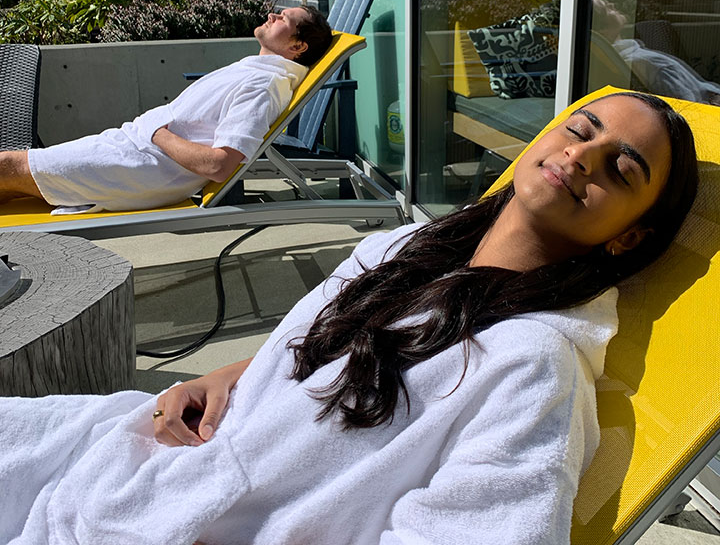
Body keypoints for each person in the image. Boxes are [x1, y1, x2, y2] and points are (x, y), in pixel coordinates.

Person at [0, 92, 698, 545]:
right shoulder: (402, 249)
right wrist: (233, 372)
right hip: (168, 458)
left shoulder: (533, 363)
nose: (580, 157)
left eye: (620, 169)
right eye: (579, 130)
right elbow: (326, 356)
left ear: (627, 236)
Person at [0, 5, 332, 213]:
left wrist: (158, 133)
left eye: (284, 18)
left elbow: (220, 166)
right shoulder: (259, 72)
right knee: (12, 186)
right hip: (131, 148)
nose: (273, 14)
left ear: (297, 46)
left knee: (8, 166)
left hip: (138, 163)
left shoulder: (262, 87)